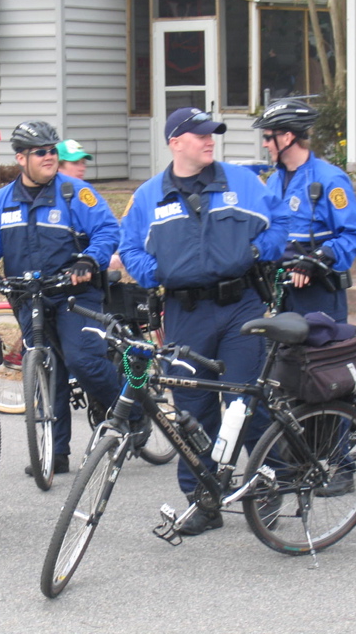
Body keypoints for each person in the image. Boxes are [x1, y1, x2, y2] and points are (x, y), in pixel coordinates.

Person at [119, 107, 289, 535]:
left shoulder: (244, 183)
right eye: (200, 135)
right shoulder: (148, 197)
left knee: (244, 402)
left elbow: (280, 226)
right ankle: (203, 499)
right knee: (192, 409)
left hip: (240, 307)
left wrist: (254, 253)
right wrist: (157, 274)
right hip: (184, 312)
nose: (210, 140)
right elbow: (130, 249)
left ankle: (268, 485)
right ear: (176, 142)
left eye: (213, 133)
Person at [0, 120, 122, 476]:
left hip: (74, 294)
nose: (50, 157)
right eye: (41, 152)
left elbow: (107, 229)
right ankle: (56, 452)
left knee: (83, 361)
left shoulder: (74, 192)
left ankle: (130, 410)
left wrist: (89, 259)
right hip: (29, 297)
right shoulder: (2, 200)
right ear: (21, 158)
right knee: (47, 370)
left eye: (53, 151)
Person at [254, 98, 356, 324]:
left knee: (321, 360)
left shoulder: (329, 179)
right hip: (284, 294)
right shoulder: (274, 181)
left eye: (268, 137)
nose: (265, 144)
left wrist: (319, 257)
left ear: (287, 137)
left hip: (320, 295)